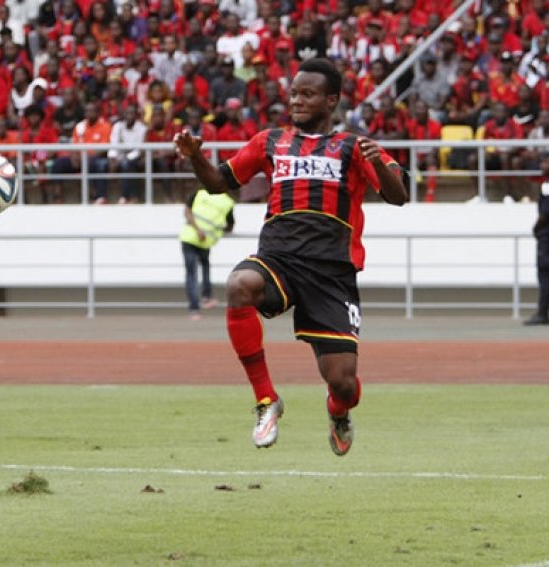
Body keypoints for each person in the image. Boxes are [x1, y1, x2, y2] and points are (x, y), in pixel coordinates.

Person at [173, 58, 407, 456]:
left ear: (330, 100)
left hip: (331, 272)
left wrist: (375, 164)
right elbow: (216, 183)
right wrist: (196, 156)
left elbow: (399, 195)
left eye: (308, 94)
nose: (297, 100)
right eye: (294, 92)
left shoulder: (353, 146)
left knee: (344, 383)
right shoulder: (269, 141)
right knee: (238, 286)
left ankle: (338, 412)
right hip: (278, 258)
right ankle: (266, 400)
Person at [179, 188, 235, 320]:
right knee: (205, 266)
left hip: (189, 237)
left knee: (191, 273)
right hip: (206, 240)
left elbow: (186, 212)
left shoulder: (199, 193)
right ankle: (206, 297)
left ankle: (194, 309)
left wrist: (197, 229)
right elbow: (230, 226)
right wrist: (217, 230)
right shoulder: (228, 202)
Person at [524, 158, 549, 326]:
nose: (542, 165)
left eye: (545, 162)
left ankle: (542, 313)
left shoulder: (547, 186)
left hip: (547, 237)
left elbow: (546, 212)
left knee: (545, 275)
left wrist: (536, 228)